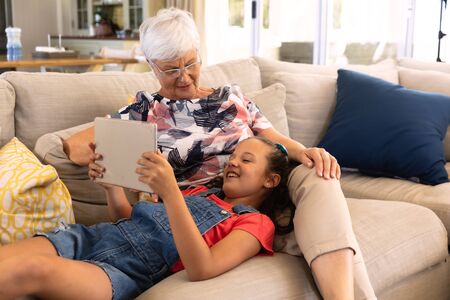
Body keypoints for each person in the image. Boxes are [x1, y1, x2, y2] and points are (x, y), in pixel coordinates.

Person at [63, 8, 376, 300]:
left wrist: (308, 152)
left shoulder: (232, 97)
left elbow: (275, 139)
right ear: (152, 65)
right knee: (322, 232)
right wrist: (116, 143)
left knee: (320, 176)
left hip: (264, 187)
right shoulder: (145, 110)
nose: (184, 77)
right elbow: (77, 148)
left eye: (190, 64)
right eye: (171, 69)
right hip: (207, 219)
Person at [0, 137, 293, 300]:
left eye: (246, 160)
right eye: (234, 156)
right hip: (93, 237)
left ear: (270, 180)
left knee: (32, 268)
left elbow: (202, 268)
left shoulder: (255, 223)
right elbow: (130, 221)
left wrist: (172, 192)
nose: (233, 162)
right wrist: (112, 187)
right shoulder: (202, 192)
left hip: (122, 274)